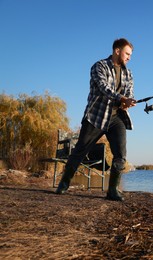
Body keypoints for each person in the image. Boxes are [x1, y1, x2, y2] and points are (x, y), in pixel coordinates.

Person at [55, 38, 136, 201]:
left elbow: (129, 93)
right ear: (117, 51)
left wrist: (128, 102)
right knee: (80, 151)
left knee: (120, 154)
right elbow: (103, 87)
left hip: (117, 118)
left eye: (130, 55)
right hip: (96, 117)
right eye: (127, 54)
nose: (129, 57)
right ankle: (63, 184)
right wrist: (121, 98)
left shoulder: (128, 73)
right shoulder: (99, 66)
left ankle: (112, 191)